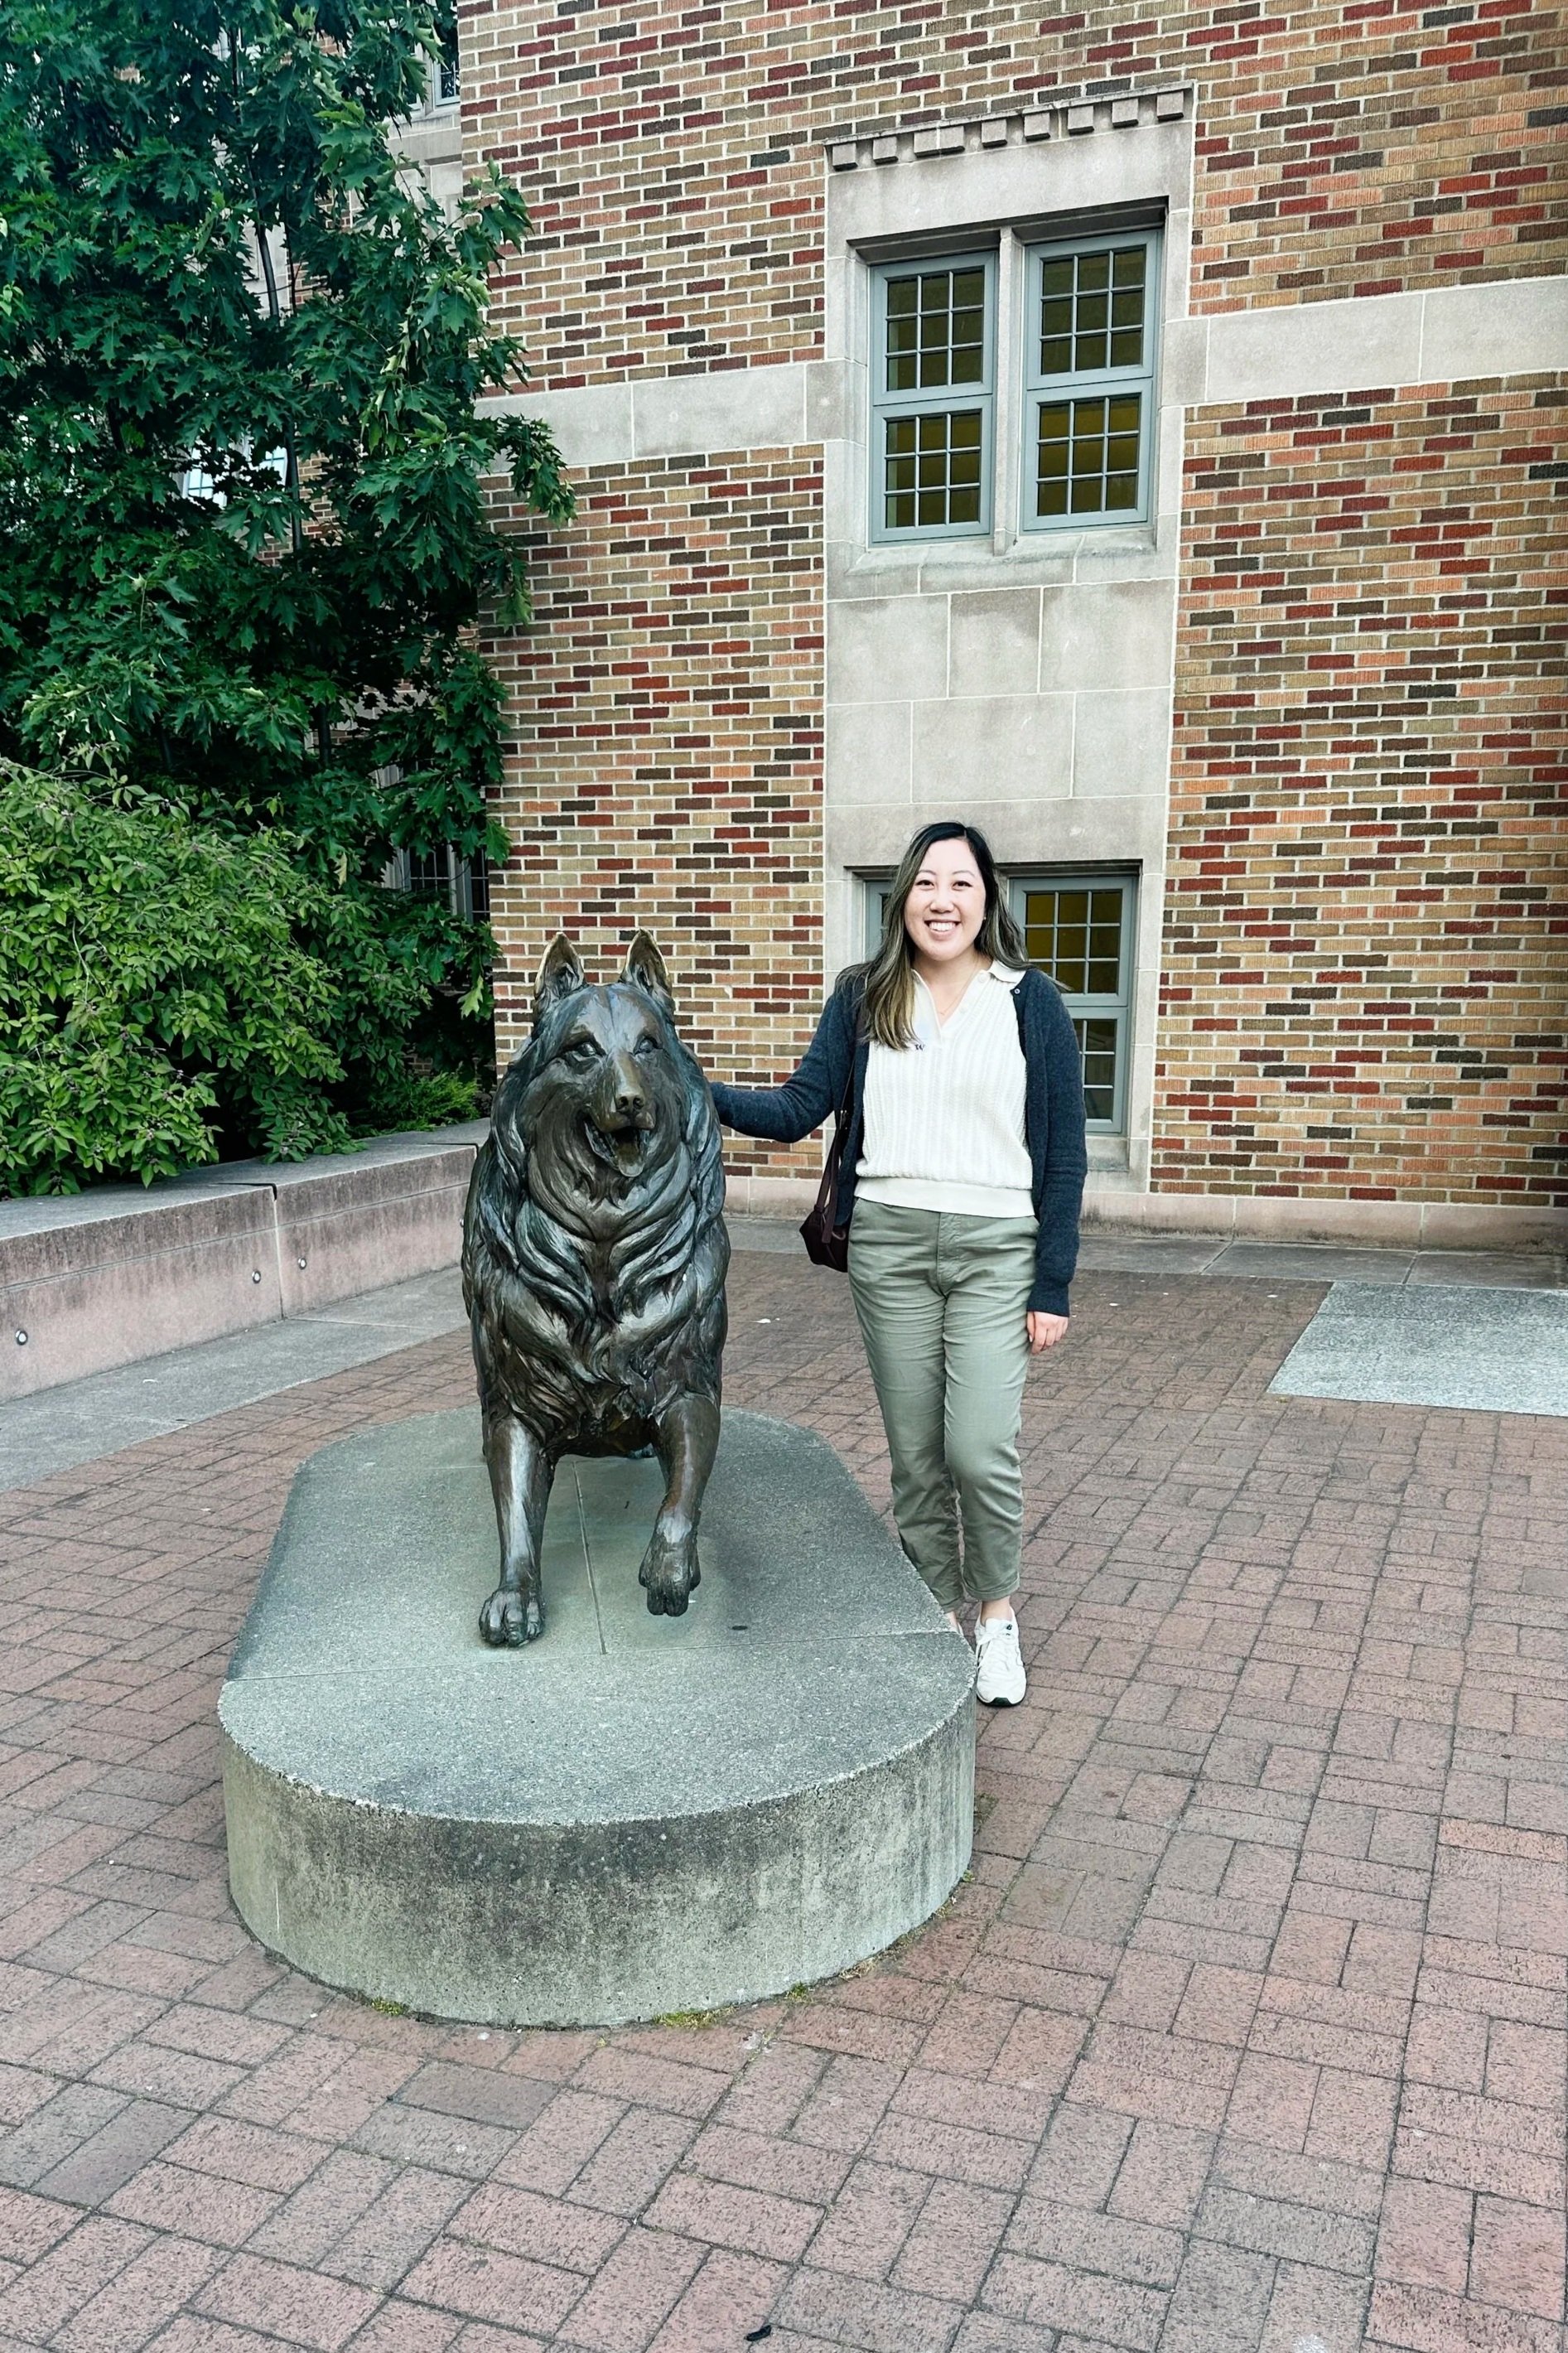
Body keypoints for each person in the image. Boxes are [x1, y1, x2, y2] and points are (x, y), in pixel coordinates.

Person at [708, 820, 1088, 1706]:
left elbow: (1065, 1154)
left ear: (988, 897)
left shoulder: (1030, 1001)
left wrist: (1053, 1281)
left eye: (960, 882)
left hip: (999, 1246)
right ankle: (934, 1608)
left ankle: (996, 1616)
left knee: (979, 1444)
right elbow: (801, 1106)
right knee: (918, 1455)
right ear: (901, 899)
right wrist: (699, 1087)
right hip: (890, 1243)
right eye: (925, 883)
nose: (942, 900)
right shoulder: (865, 996)